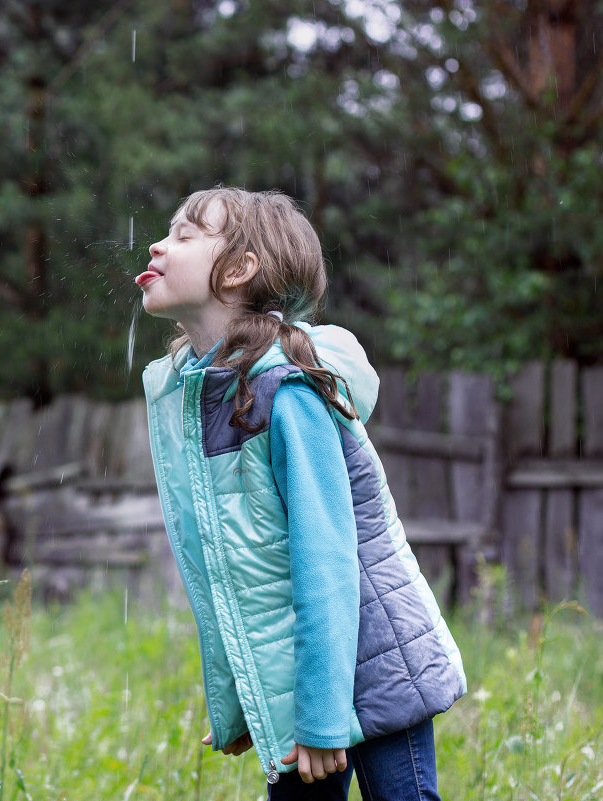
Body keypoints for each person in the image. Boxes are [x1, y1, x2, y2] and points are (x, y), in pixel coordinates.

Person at [136, 187, 465, 800]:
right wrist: (241, 700)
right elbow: (238, 571)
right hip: (306, 666)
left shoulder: (286, 395)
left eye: (185, 235)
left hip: (371, 654)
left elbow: (326, 561)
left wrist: (321, 715)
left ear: (237, 271)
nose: (159, 243)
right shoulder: (205, 393)